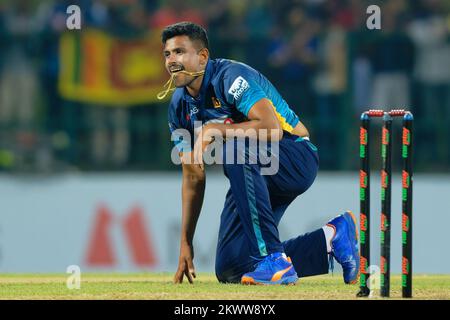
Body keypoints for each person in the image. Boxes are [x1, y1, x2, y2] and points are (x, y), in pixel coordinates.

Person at [159, 21, 359, 285]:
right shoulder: (178, 108)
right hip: (253, 169)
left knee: (233, 147)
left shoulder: (230, 77)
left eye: (180, 52)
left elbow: (271, 128)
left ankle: (274, 260)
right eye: (167, 54)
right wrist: (186, 242)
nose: (172, 60)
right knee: (232, 267)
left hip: (295, 155)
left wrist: (214, 130)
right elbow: (193, 175)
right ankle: (332, 238)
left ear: (203, 57)